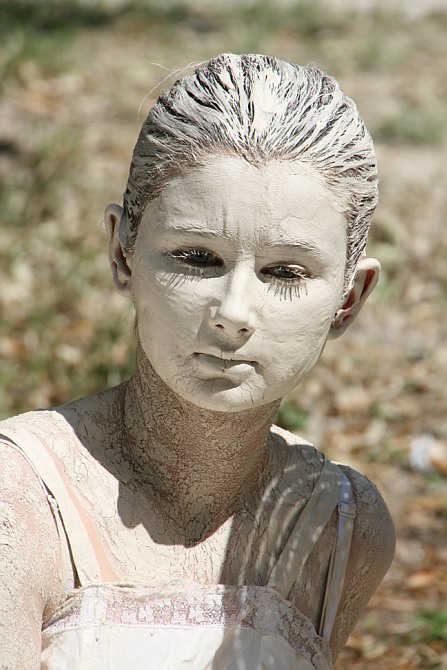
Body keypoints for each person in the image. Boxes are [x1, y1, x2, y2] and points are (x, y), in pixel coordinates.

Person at [0, 53, 395, 669]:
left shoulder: (343, 528)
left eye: (284, 272)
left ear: (349, 298)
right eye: (195, 258)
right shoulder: (22, 500)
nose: (234, 310)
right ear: (122, 252)